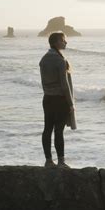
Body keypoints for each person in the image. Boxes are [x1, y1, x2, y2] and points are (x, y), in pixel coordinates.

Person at [39, 32, 75, 168]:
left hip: (47, 99)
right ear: (55, 42)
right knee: (58, 131)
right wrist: (71, 104)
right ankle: (61, 162)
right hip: (60, 100)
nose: (66, 42)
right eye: (63, 40)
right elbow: (64, 85)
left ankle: (48, 161)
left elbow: (44, 83)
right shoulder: (60, 60)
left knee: (47, 129)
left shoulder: (43, 59)